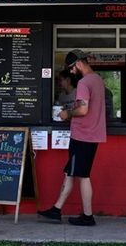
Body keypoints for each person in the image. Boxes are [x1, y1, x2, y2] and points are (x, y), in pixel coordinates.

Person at [38, 49, 107, 226]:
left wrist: (67, 113)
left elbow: (83, 110)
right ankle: (56, 209)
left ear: (78, 64)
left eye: (71, 68)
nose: (70, 72)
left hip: (83, 135)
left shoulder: (84, 83)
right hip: (92, 135)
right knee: (70, 172)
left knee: (82, 175)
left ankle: (88, 216)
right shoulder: (98, 79)